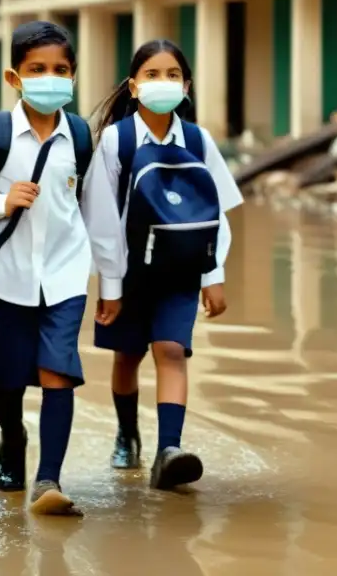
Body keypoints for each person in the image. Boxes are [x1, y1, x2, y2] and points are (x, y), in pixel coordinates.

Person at [82, 38, 243, 491]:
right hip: (130, 272)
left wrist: (215, 276)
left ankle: (168, 450)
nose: (163, 82)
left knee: (171, 350)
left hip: (181, 270)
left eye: (172, 74)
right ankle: (127, 433)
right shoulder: (118, 140)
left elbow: (217, 214)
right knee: (128, 356)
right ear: (133, 87)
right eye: (152, 75)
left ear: (186, 85)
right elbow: (102, 218)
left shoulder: (198, 139)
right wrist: (110, 285)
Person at [0, 20, 92, 516]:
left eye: (60, 69)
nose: (50, 78)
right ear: (15, 77)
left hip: (67, 274)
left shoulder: (79, 134)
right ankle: (13, 438)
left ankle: (48, 479)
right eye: (37, 69)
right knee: (9, 380)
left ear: (73, 76)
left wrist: (109, 281)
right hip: (9, 276)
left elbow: (90, 210)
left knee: (58, 370)